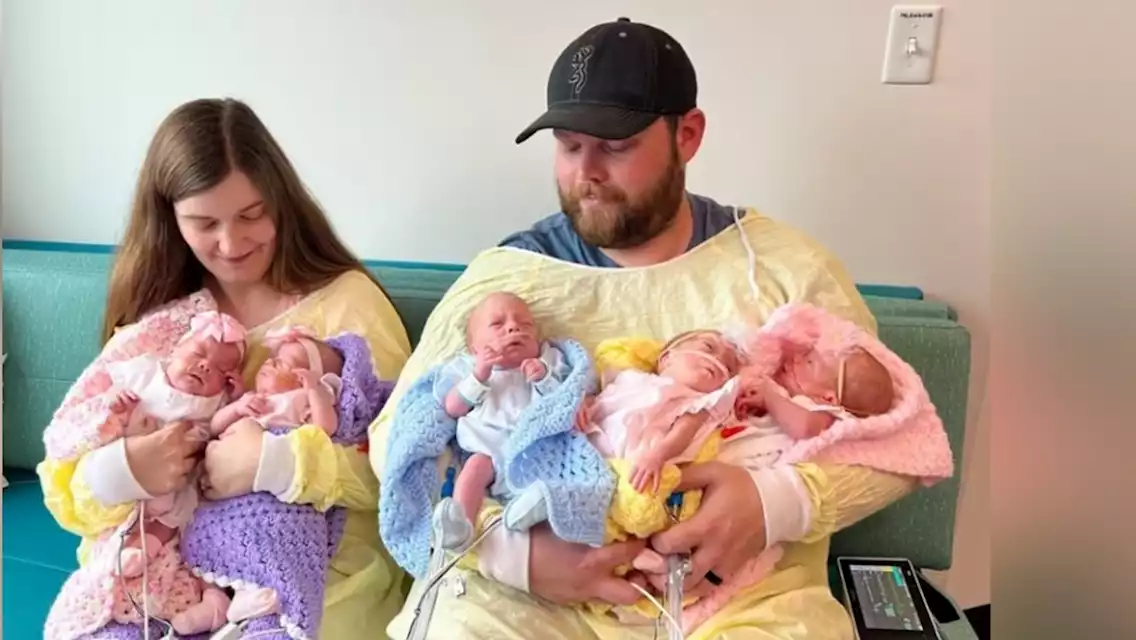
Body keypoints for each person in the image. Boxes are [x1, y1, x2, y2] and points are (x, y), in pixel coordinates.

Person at [376, 17, 925, 640]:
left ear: (686, 135)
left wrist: (772, 503)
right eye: (568, 144)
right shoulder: (506, 281)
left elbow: (899, 439)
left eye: (615, 146)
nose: (586, 172)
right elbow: (399, 435)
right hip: (524, 601)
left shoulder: (783, 268)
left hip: (742, 598)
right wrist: (514, 556)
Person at [37, 97, 411, 640]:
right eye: (204, 222)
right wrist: (125, 468)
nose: (231, 244)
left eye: (251, 215)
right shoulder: (161, 320)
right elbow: (67, 475)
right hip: (164, 583)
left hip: (313, 582)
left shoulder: (348, 307)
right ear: (170, 219)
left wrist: (277, 462)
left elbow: (401, 467)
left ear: (282, 200)